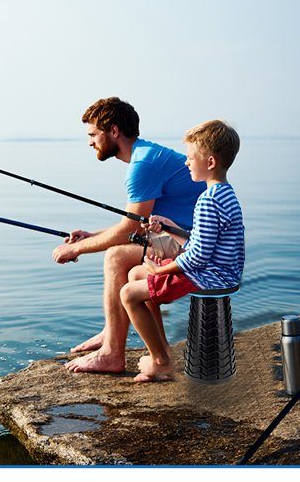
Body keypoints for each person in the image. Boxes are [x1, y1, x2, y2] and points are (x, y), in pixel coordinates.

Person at [52, 97, 205, 377]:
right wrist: (91, 235)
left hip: (192, 246)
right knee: (131, 268)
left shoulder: (143, 165)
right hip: (178, 238)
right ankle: (116, 333)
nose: (90, 142)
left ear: (113, 131)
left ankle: (112, 352)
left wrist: (79, 249)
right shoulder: (146, 156)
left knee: (116, 255)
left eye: (93, 134)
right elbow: (137, 224)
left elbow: (129, 230)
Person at [123, 120, 246, 383]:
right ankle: (159, 349)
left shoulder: (207, 201)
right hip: (222, 272)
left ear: (210, 162)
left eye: (190, 158)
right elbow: (202, 242)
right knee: (135, 273)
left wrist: (162, 268)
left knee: (128, 293)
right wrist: (169, 228)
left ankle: (160, 362)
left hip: (209, 277)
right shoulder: (225, 194)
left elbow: (199, 256)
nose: (186, 163)